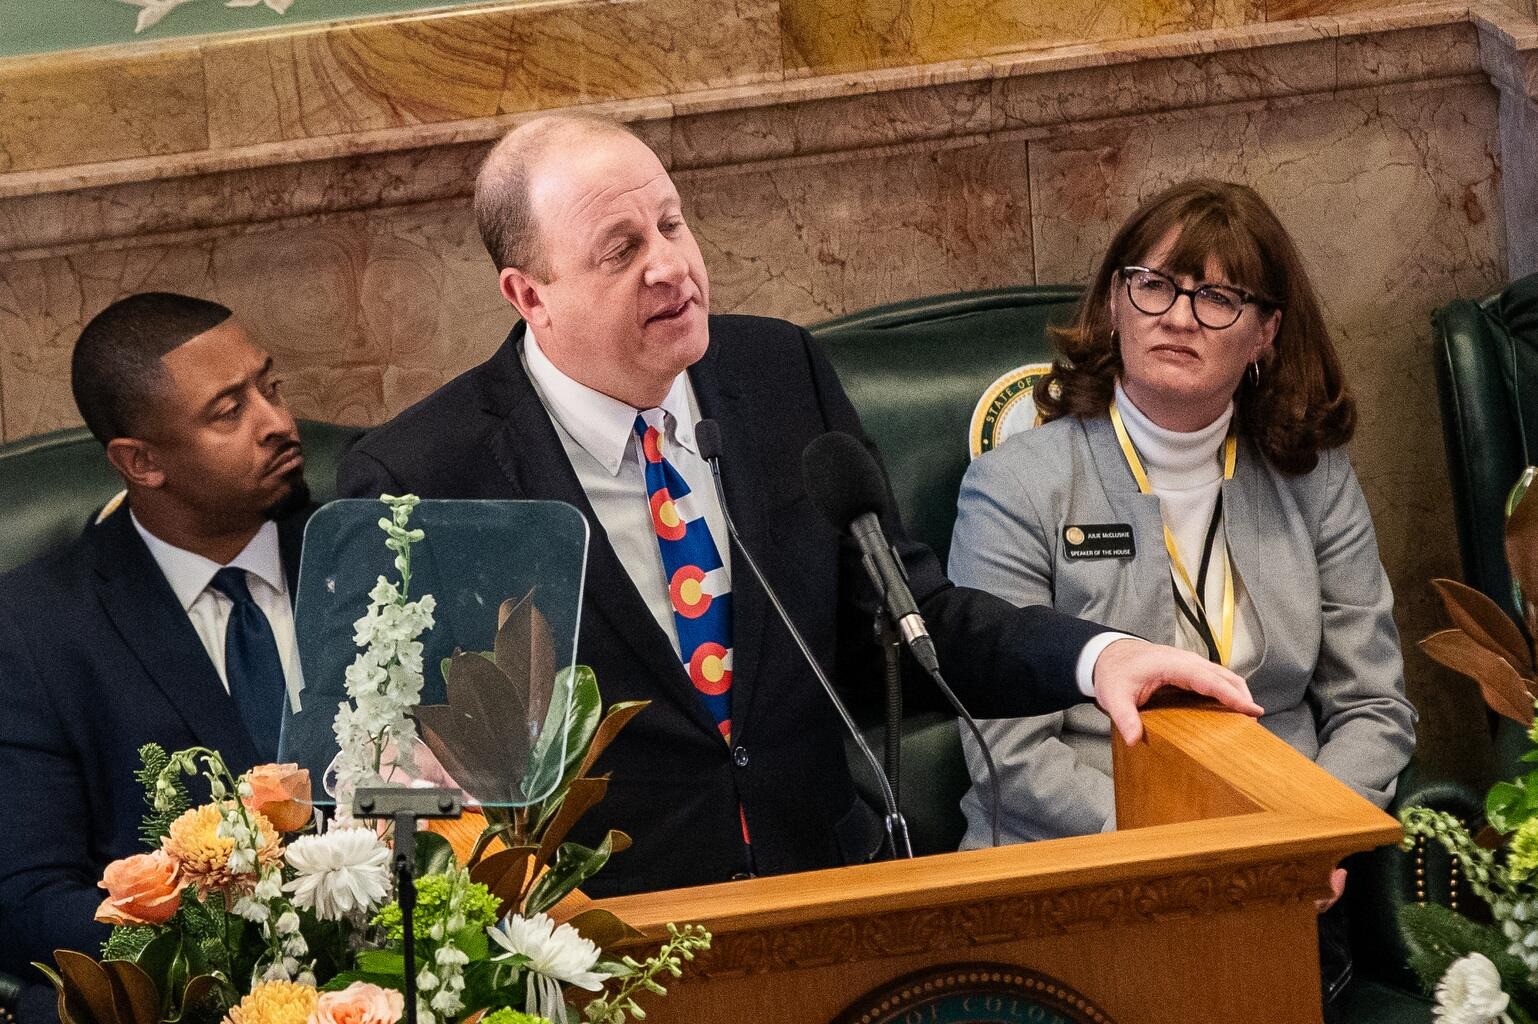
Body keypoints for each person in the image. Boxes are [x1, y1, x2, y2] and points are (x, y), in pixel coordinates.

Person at [337, 116, 1262, 898]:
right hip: (610, 940)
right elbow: (393, 768)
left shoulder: (779, 375)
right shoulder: (424, 478)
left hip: (827, 887)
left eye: (672, 224)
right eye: (621, 251)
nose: (670, 267)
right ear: (529, 295)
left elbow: (908, 623)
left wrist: (1097, 655)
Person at [947, 180, 1415, 1019]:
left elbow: (1374, 707)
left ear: (1266, 333)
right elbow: (1003, 745)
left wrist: (1302, 840)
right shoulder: (1017, 485)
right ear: (1115, 306)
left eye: (1217, 297)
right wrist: (1183, 865)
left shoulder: (1314, 481)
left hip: (1281, 879)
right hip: (1077, 877)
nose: (1178, 316)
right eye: (1154, 285)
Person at [0, 294, 312, 1020]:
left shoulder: (368, 557)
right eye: (228, 412)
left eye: (269, 386)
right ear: (140, 462)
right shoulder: (33, 629)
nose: (279, 424)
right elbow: (30, 904)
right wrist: (243, 939)